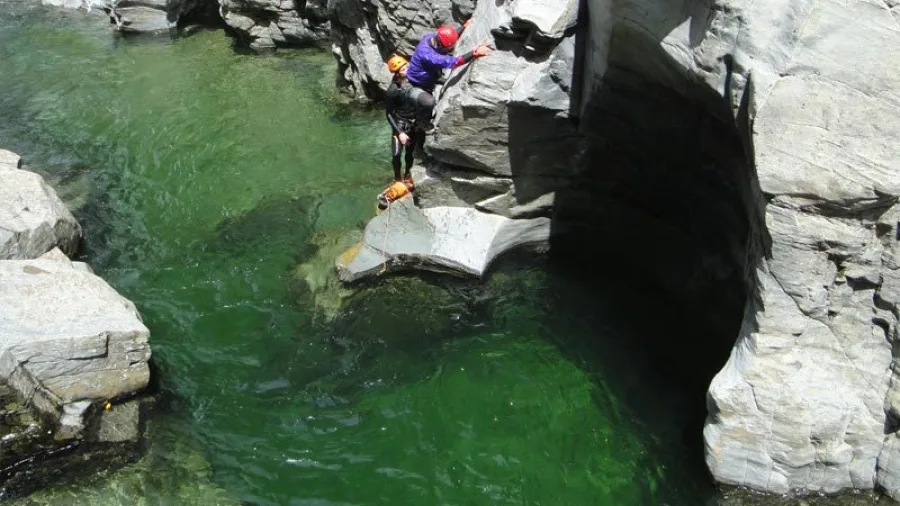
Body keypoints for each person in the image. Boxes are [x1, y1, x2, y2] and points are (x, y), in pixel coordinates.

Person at [406, 24, 491, 134]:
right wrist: (474, 53)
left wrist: (464, 27)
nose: (451, 48)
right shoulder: (428, 55)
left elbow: (446, 36)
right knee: (429, 102)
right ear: (441, 46)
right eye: (450, 47)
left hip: (428, 77)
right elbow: (454, 62)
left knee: (442, 78)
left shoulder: (432, 37)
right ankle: (422, 122)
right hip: (414, 84)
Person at [384, 54, 421, 183]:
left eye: (406, 66)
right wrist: (399, 133)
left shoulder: (413, 81)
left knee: (410, 154)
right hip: (400, 125)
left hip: (413, 123)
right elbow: (388, 114)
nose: (407, 69)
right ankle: (397, 179)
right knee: (396, 155)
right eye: (403, 69)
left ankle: (407, 176)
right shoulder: (392, 91)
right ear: (397, 73)